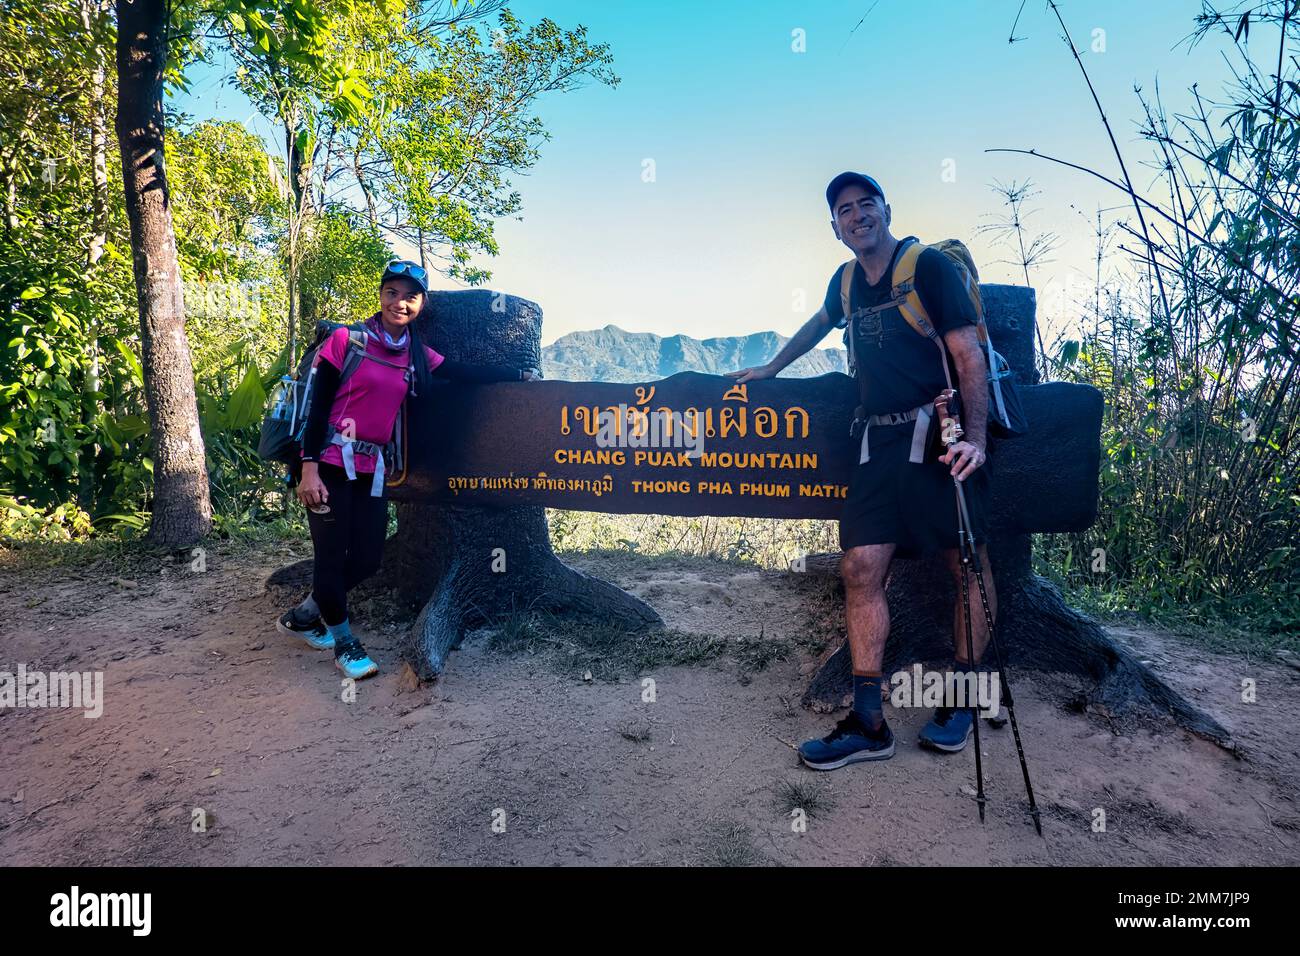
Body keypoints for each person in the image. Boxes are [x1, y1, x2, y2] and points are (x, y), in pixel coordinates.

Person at [729, 172, 997, 769]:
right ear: (835, 226)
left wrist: (976, 440)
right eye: (844, 210)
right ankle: (869, 721)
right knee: (860, 566)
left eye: (865, 204)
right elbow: (821, 322)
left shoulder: (927, 267)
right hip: (878, 442)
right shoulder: (846, 281)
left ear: (885, 209)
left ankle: (962, 699)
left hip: (942, 437)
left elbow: (967, 354)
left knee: (967, 565)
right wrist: (772, 366)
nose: (857, 216)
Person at [277, 260, 539, 679]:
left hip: (370, 467)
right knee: (331, 554)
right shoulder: (347, 340)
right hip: (327, 461)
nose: (400, 302)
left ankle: (305, 615)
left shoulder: (415, 354)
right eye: (392, 292)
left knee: (367, 557)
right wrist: (307, 470)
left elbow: (461, 372)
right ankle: (344, 642)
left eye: (410, 296)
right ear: (381, 295)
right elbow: (317, 407)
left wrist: (518, 374)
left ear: (422, 303)